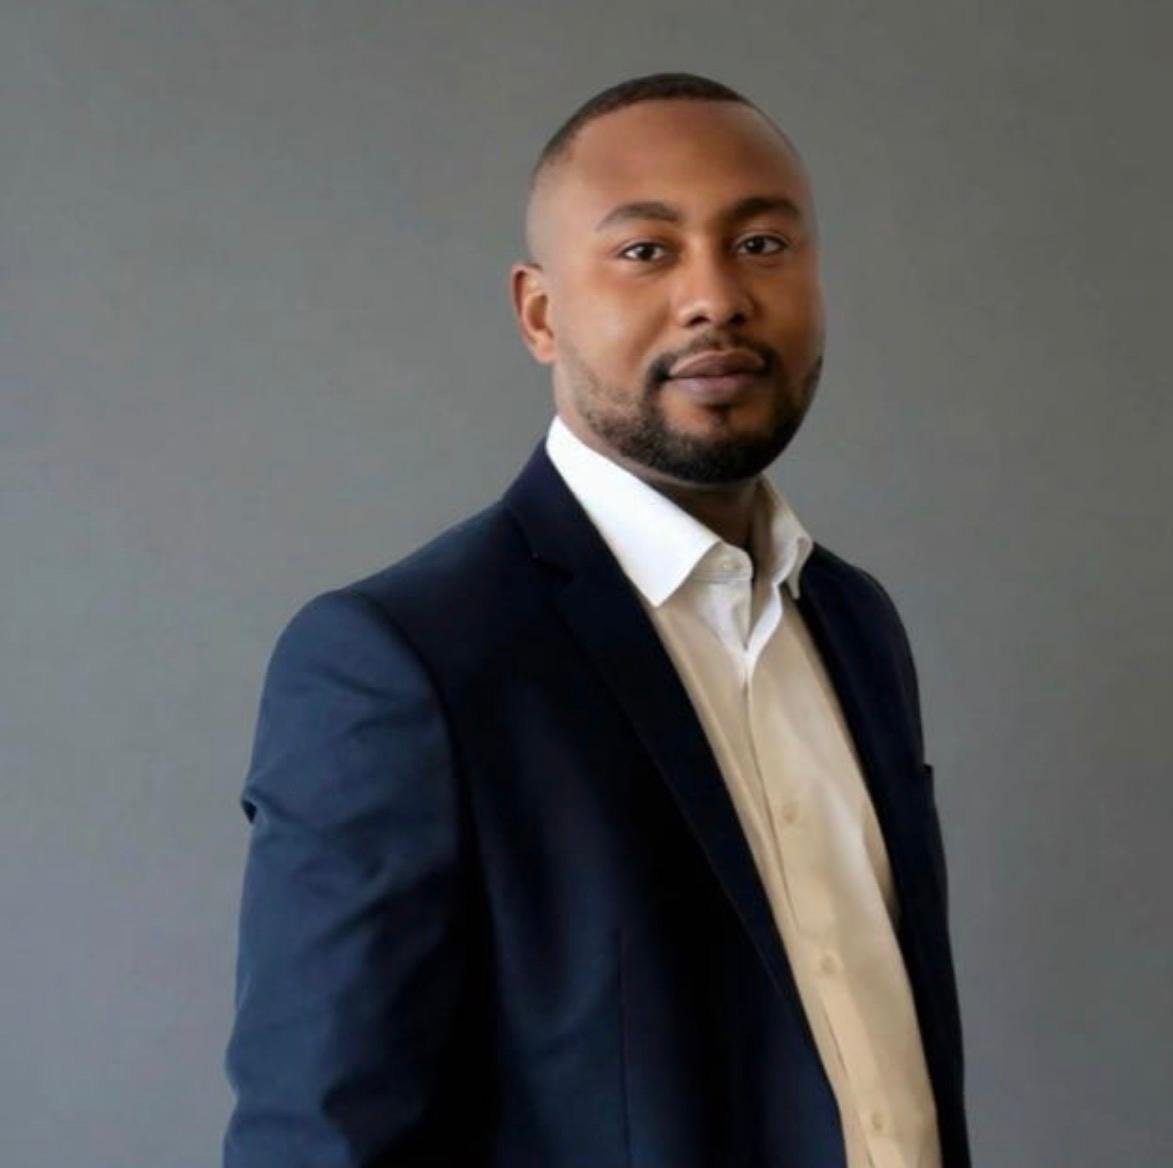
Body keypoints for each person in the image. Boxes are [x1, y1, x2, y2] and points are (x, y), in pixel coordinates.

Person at [222, 72, 971, 1168]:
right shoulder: (406, 663)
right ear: (539, 312)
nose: (715, 297)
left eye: (761, 245)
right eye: (646, 250)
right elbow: (318, 1140)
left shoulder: (854, 624)